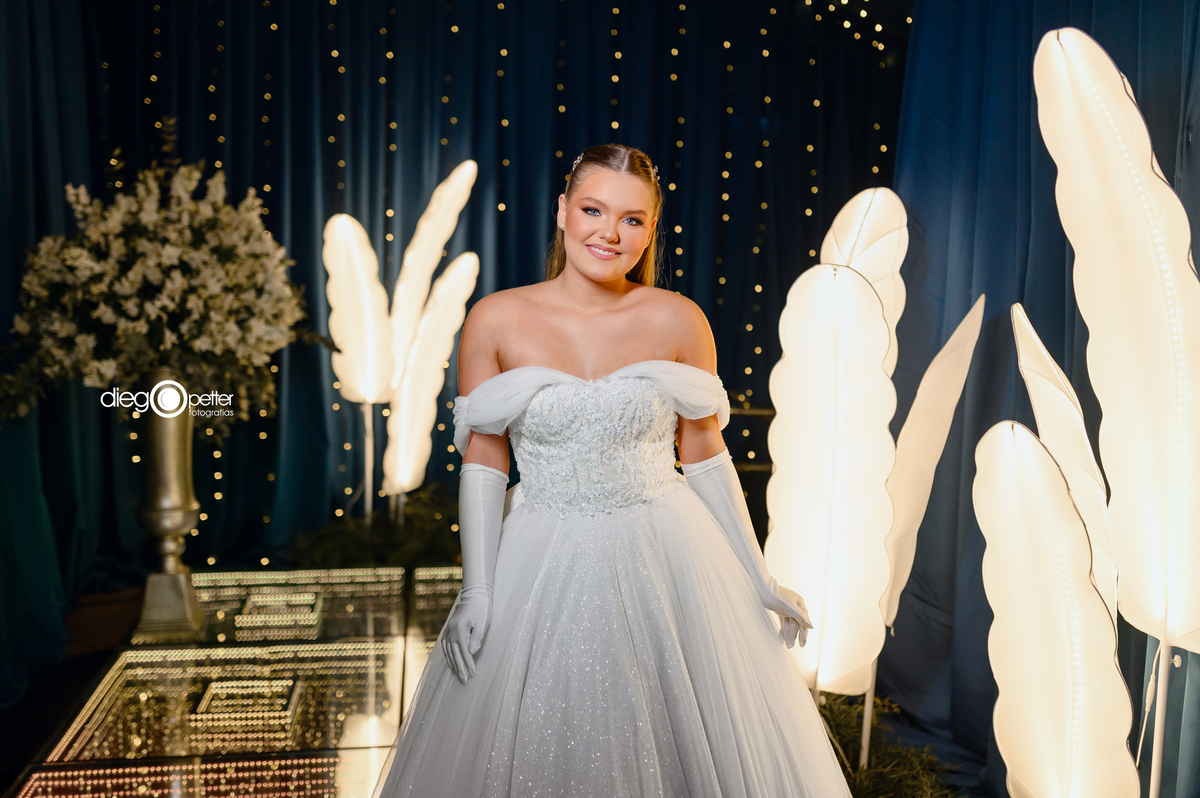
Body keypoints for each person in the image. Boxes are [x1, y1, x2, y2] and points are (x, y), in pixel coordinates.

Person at [375, 144, 851, 797]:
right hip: (540, 553)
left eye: (632, 219)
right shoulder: (496, 319)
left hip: (668, 549)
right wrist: (478, 590)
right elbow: (485, 463)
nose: (610, 232)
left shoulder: (678, 319)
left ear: (651, 229)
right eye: (594, 209)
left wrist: (758, 575)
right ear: (563, 211)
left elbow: (706, 453)